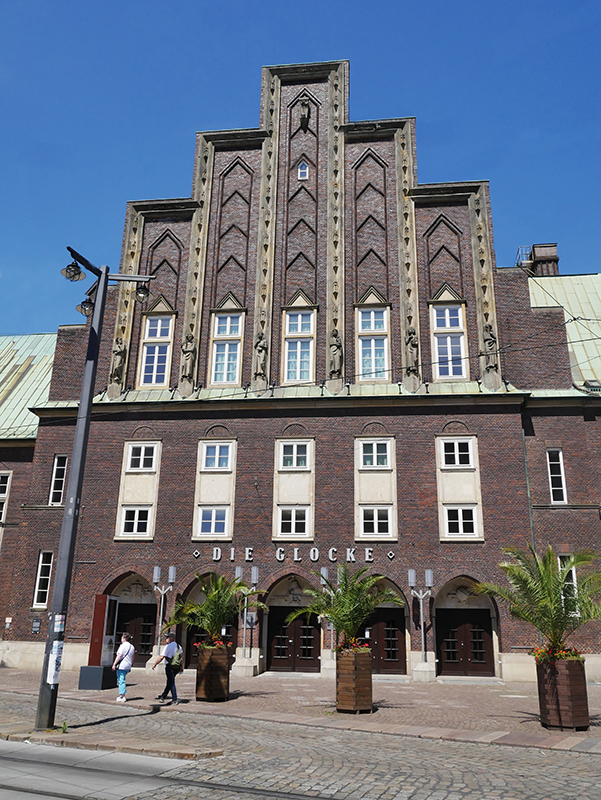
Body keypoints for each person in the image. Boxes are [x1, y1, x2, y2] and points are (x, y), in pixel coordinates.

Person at [152, 631, 182, 705]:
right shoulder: (179, 646)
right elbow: (182, 657)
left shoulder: (168, 646)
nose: (166, 639)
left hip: (170, 666)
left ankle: (174, 699)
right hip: (176, 666)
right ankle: (163, 696)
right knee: (170, 681)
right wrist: (181, 666)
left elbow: (161, 657)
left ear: (172, 638)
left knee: (171, 682)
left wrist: (155, 664)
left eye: (167, 637)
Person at [112, 632, 135, 703]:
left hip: (122, 665)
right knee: (122, 678)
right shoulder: (132, 646)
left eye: (122, 638)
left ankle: (122, 695)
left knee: (121, 680)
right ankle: (122, 694)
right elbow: (133, 656)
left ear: (124, 638)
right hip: (128, 665)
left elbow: (119, 655)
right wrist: (131, 664)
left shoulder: (123, 646)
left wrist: (114, 664)